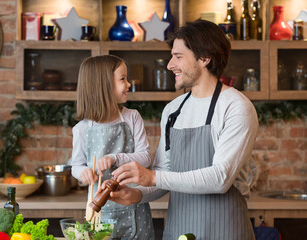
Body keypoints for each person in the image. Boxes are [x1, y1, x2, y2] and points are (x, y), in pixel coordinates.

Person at [109, 20, 259, 240]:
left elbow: (220, 178)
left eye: (178, 56)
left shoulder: (235, 106)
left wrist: (151, 177)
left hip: (225, 230)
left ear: (205, 58)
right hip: (178, 230)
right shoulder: (173, 110)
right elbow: (165, 173)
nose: (170, 65)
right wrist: (136, 194)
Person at [71, 55, 155, 239]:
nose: (129, 84)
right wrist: (82, 172)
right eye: (123, 79)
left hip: (135, 207)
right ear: (103, 85)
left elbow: (146, 156)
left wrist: (115, 158)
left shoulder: (132, 117)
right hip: (101, 211)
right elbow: (76, 165)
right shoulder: (82, 129)